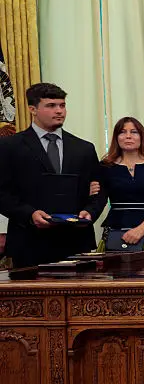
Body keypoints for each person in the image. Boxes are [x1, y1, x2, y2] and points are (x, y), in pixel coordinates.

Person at [0, 83, 106, 267]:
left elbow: (99, 191)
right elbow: (2, 193)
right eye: (51, 106)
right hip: (29, 244)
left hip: (76, 244)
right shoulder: (10, 147)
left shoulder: (84, 149)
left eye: (62, 105)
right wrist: (30, 214)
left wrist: (90, 212)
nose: (59, 111)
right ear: (33, 109)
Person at [97, 117, 144, 257]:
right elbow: (98, 200)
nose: (128, 136)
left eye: (133, 132)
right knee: (120, 277)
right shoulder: (105, 167)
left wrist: (142, 229)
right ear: (116, 137)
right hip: (117, 233)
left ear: (141, 136)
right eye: (122, 132)